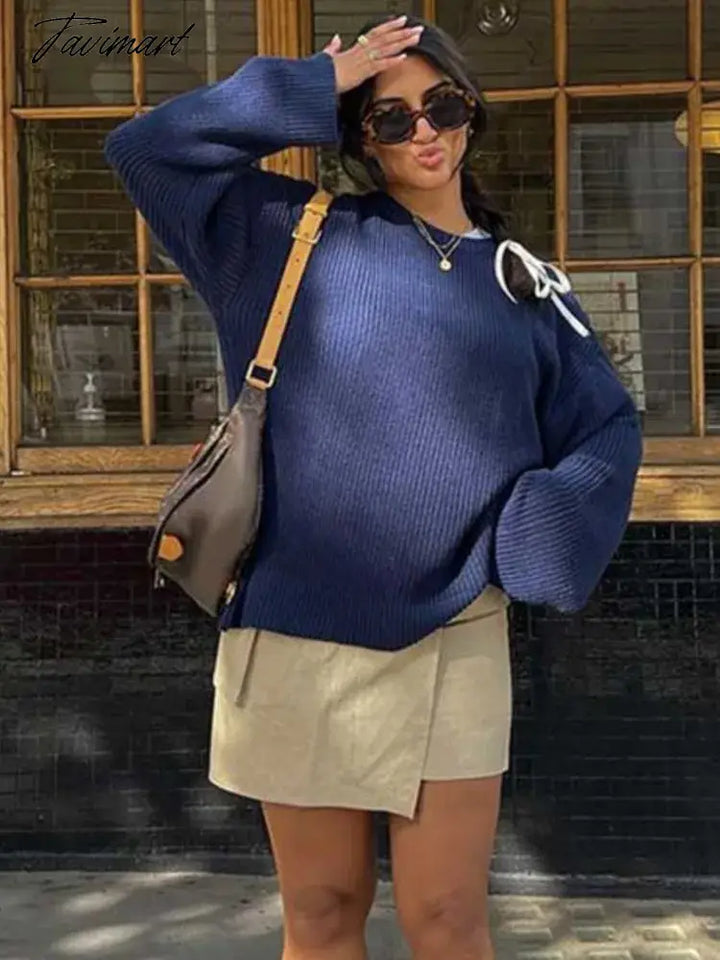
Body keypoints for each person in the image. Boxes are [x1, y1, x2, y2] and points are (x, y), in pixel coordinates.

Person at [105, 13, 642, 960]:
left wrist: (534, 531)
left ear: (471, 111)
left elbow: (609, 428)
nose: (423, 130)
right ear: (359, 139)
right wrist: (316, 83)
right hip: (297, 626)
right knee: (321, 914)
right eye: (390, 117)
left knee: (448, 921)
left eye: (442, 105)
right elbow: (146, 151)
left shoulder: (525, 284)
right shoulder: (281, 238)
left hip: (454, 635)